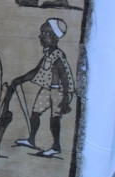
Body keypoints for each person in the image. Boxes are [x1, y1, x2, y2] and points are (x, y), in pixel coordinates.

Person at [12, 18, 75, 157]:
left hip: (59, 91)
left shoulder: (58, 56)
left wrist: (65, 97)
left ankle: (56, 146)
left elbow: (64, 77)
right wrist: (20, 80)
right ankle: (31, 140)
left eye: (44, 33)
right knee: (35, 113)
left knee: (55, 118)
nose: (40, 36)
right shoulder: (48, 55)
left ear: (53, 37)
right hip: (48, 89)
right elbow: (37, 71)